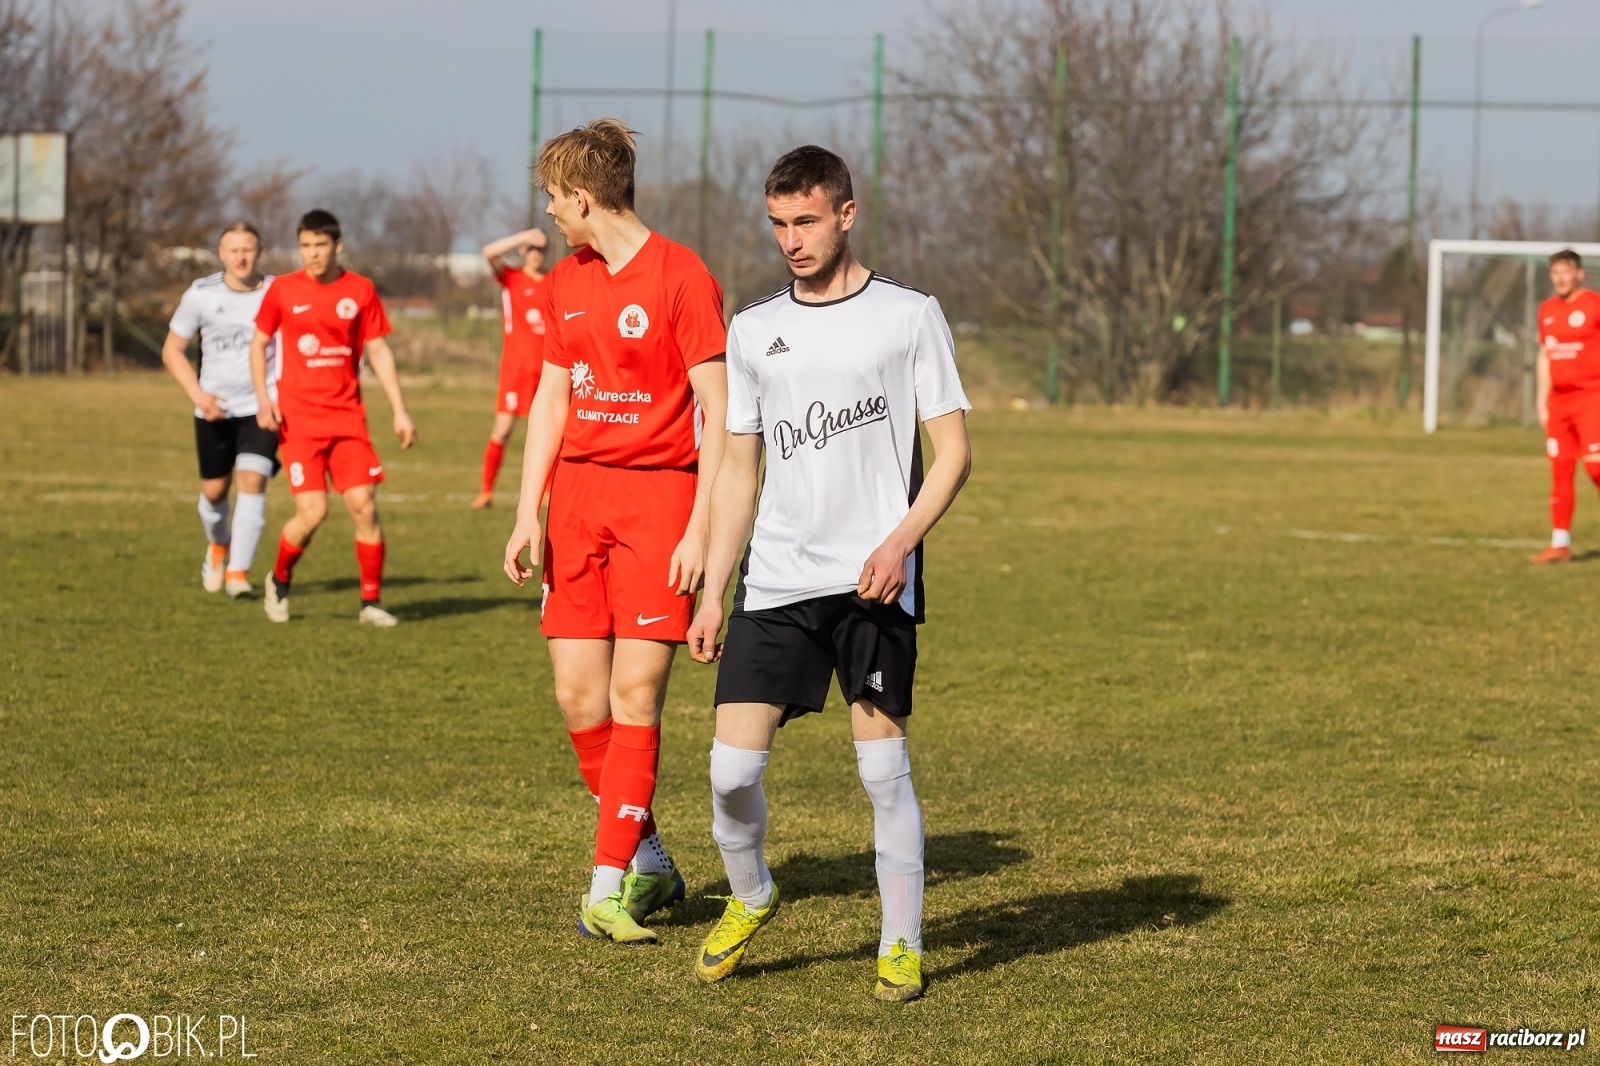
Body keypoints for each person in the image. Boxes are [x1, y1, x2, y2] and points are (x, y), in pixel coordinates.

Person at [686, 145, 972, 1002]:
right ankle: (752, 894)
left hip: (872, 581)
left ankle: (900, 942)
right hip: (774, 580)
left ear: (847, 214)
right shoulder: (752, 330)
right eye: (778, 224)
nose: (791, 240)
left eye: (806, 220)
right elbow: (738, 470)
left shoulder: (909, 316)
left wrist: (900, 543)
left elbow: (952, 452)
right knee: (729, 774)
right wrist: (711, 589)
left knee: (882, 771)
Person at [502, 119, 729, 944]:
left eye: (555, 201)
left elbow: (720, 415)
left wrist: (702, 530)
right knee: (577, 697)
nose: (552, 216)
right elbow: (551, 400)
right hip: (577, 505)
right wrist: (529, 510)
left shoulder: (683, 277)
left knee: (637, 697)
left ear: (584, 198)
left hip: (659, 506)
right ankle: (653, 860)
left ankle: (604, 887)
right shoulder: (566, 280)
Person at [248, 209, 417, 626]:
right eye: (305, 245)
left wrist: (399, 409)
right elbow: (258, 344)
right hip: (299, 422)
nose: (312, 254)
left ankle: (371, 603)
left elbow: (378, 350)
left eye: (320, 245)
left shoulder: (360, 290)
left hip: (348, 420)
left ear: (337, 245)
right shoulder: (283, 290)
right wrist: (263, 399)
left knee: (364, 506)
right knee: (313, 512)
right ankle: (280, 578)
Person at [161, 222, 278, 599]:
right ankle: (218, 546)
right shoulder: (201, 294)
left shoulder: (279, 292)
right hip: (214, 410)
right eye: (233, 250)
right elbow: (172, 350)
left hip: (261, 408)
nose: (241, 257)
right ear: (221, 254)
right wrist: (200, 397)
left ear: (258, 252)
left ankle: (238, 574)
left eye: (248, 249)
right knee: (214, 493)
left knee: (252, 482)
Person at [472, 227, 552, 509]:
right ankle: (486, 491)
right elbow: (488, 253)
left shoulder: (554, 282)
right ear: (523, 251)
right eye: (531, 249)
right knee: (503, 429)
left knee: (551, 432)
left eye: (541, 250)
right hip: (515, 370)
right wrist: (523, 236)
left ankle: (549, 493)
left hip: (547, 372)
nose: (536, 255)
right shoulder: (512, 278)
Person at [1531, 248, 1600, 564]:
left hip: (1592, 398)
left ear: (1579, 274)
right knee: (1560, 469)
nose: (1560, 278)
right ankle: (1560, 544)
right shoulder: (1546, 310)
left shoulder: (1594, 305)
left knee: (1595, 467)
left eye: (1566, 272)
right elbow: (1546, 355)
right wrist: (1541, 401)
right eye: (1555, 272)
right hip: (1559, 402)